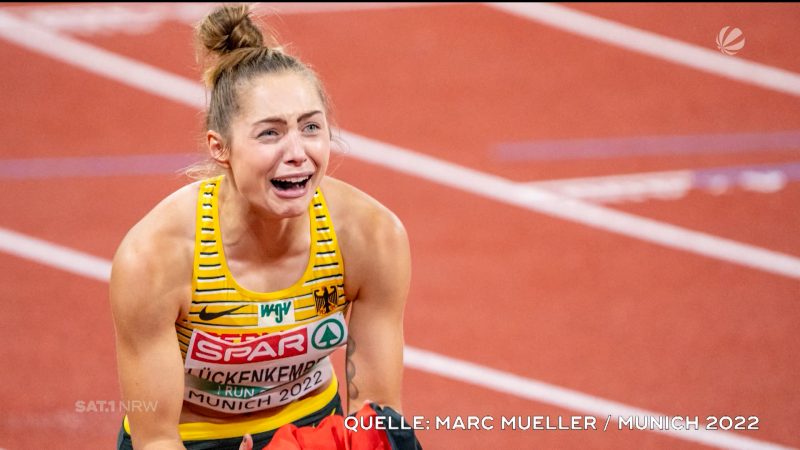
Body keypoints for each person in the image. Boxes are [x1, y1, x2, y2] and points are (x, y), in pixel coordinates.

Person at [110, 4, 419, 449]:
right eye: (270, 133)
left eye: (310, 127)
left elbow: (377, 414)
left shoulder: (371, 237)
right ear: (221, 148)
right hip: (192, 439)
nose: (297, 152)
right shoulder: (156, 258)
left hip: (313, 431)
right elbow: (155, 437)